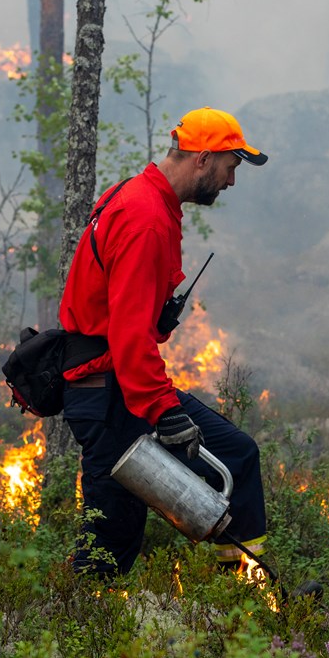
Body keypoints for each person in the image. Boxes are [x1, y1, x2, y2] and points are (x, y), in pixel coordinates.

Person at [57, 106, 271, 578]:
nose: (231, 181)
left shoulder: (139, 197)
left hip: (116, 386)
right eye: (230, 167)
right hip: (109, 393)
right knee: (112, 537)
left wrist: (159, 320)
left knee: (236, 455)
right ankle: (75, 615)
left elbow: (123, 315)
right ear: (203, 159)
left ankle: (245, 591)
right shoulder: (147, 219)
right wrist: (164, 411)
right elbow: (128, 335)